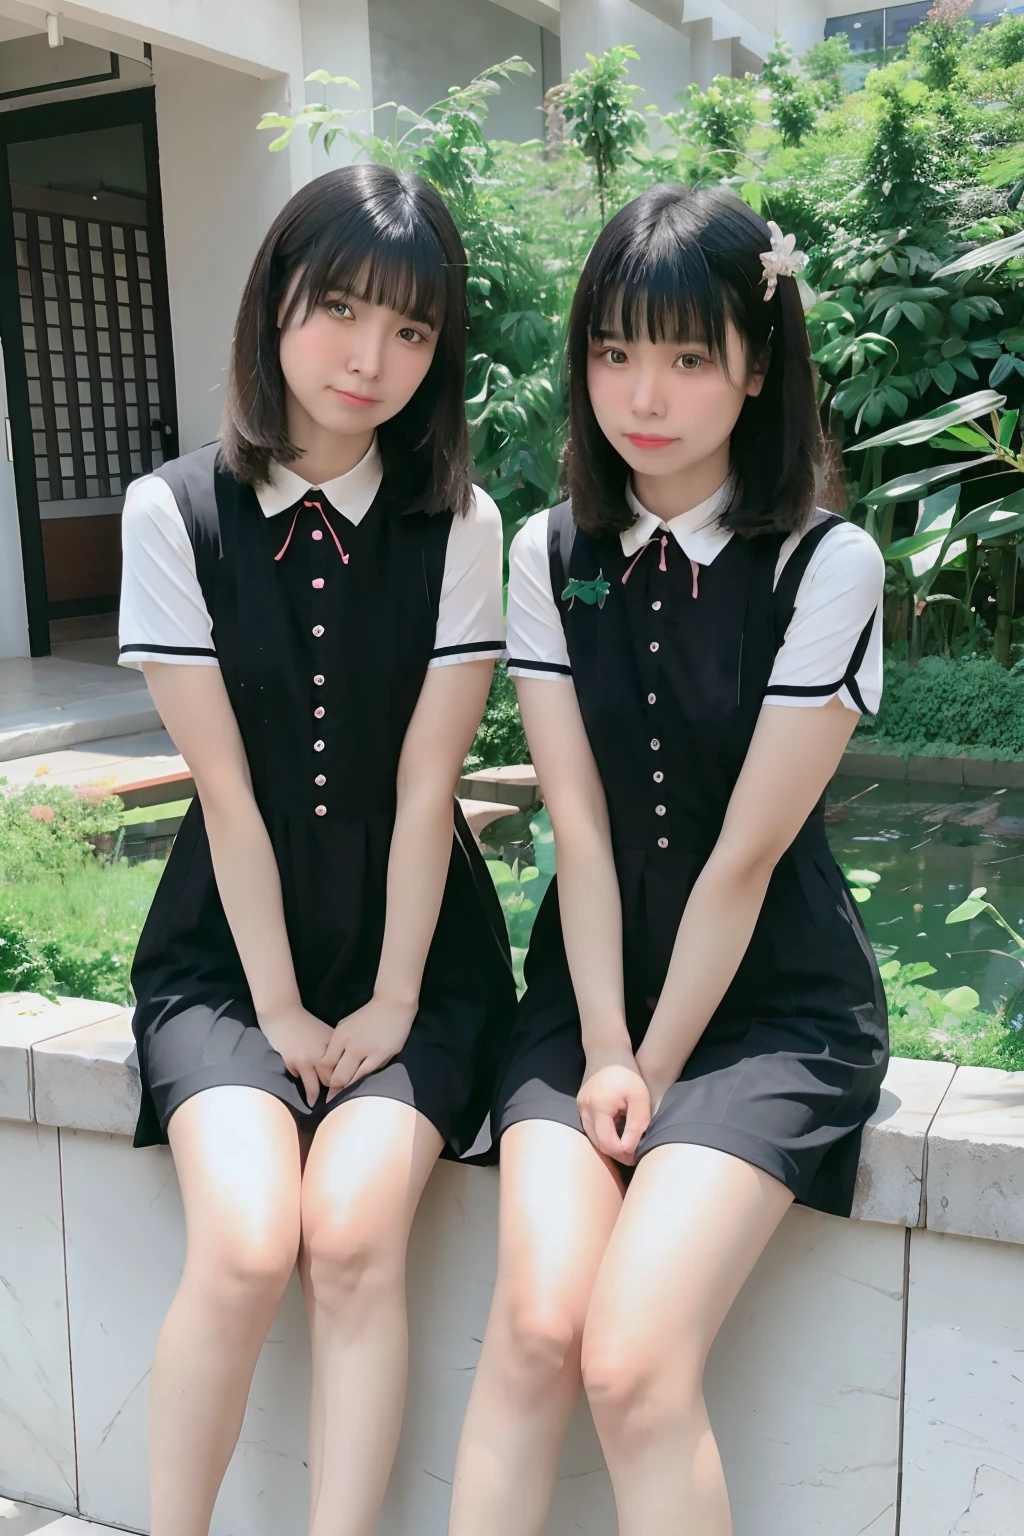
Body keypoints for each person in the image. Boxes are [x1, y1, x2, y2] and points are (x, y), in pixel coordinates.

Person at [448, 184, 888, 1536]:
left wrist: (651, 1055)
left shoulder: (827, 564)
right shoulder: (554, 550)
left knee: (632, 1364)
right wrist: (601, 1042)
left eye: (691, 356)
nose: (648, 392)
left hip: (771, 1012)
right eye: (616, 351)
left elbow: (746, 862)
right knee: (534, 1330)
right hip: (586, 1003)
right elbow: (578, 829)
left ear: (757, 368)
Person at [117, 163, 516, 1536]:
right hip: (230, 963)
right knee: (243, 1247)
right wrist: (281, 1005)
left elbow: (429, 789)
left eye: (412, 329)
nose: (371, 357)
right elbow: (225, 796)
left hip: (423, 956)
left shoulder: (462, 525)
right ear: (273, 304)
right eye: (341, 307)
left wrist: (396, 1000)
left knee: (350, 1239)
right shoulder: (173, 512)